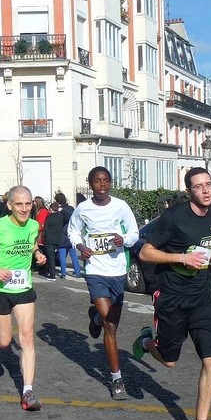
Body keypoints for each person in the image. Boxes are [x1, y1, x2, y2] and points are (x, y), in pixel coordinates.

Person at [132, 167, 211, 420]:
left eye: (209, 185)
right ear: (189, 191)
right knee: (169, 361)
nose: (206, 191)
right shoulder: (174, 217)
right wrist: (182, 258)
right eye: (199, 187)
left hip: (202, 299)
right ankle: (146, 339)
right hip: (173, 299)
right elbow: (145, 252)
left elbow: (209, 243)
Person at [0, 185, 47, 411]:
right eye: (19, 204)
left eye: (28, 204)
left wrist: (37, 254)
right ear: (10, 205)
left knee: (27, 338)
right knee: (4, 342)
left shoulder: (34, 225)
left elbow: (32, 243)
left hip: (23, 288)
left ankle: (28, 391)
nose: (24, 209)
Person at [67, 166, 139, 400]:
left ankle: (95, 317)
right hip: (95, 270)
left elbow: (134, 232)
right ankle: (117, 378)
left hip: (117, 271)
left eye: (106, 181)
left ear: (110, 183)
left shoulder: (120, 206)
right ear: (90, 185)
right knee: (111, 326)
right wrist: (80, 247)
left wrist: (123, 239)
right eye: (97, 181)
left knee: (109, 322)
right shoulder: (83, 209)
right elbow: (73, 231)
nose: (102, 185)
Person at [54, 191, 81, 278]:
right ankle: (77, 272)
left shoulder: (59, 210)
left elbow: (57, 222)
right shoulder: (71, 209)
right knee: (73, 255)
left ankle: (63, 273)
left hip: (62, 234)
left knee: (62, 255)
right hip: (70, 233)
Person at [41, 201, 63, 280]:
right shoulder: (60, 216)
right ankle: (52, 272)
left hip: (49, 239)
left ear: (51, 209)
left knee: (50, 257)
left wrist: (43, 237)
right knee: (54, 256)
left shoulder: (49, 218)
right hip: (57, 239)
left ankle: (52, 274)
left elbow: (45, 229)